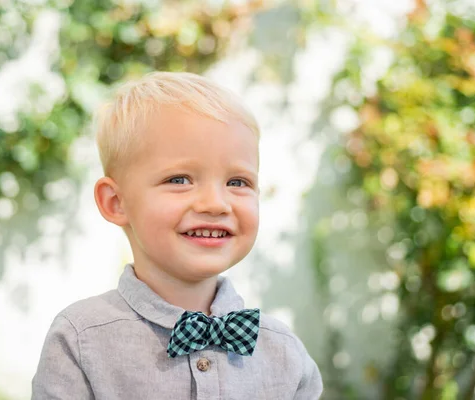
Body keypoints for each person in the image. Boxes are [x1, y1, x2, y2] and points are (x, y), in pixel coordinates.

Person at [31, 71, 323, 399]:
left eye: (237, 182)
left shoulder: (284, 353)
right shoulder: (80, 340)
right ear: (116, 202)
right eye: (180, 179)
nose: (215, 203)